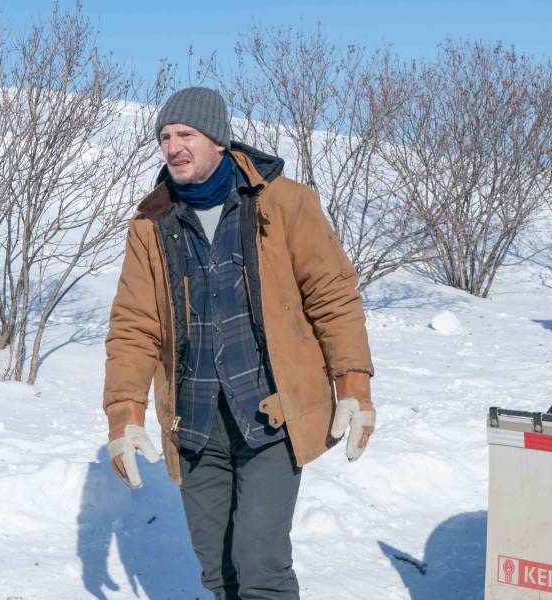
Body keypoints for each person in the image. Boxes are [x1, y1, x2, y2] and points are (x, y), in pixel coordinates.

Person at [102, 86, 375, 600]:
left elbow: (333, 296)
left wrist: (354, 386)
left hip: (271, 418)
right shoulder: (151, 224)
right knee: (217, 573)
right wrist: (124, 413)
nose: (173, 147)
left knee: (261, 570)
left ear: (219, 141)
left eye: (186, 134)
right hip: (196, 424)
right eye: (164, 137)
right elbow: (134, 325)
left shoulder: (284, 202)